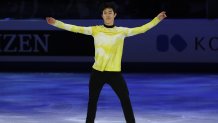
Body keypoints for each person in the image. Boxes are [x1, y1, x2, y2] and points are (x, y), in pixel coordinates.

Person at [46, 2, 167, 123]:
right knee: (92, 102)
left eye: (110, 12)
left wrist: (157, 19)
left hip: (115, 74)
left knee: (125, 99)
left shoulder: (121, 31)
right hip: (97, 73)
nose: (108, 15)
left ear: (115, 15)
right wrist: (56, 23)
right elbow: (75, 28)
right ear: (102, 16)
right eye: (105, 13)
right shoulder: (95, 30)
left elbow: (142, 29)